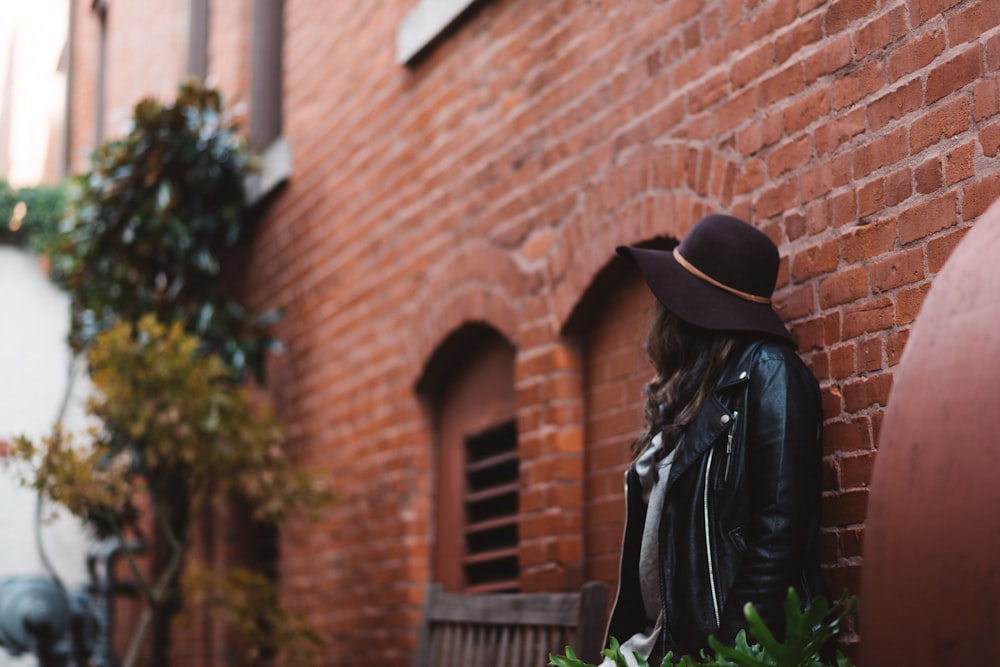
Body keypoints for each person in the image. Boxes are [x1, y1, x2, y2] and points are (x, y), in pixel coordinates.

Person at [604, 213, 826, 665]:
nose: (656, 312)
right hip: (655, 647)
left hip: (719, 652)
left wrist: (729, 654)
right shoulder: (683, 398)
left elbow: (778, 534)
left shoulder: (771, 375)